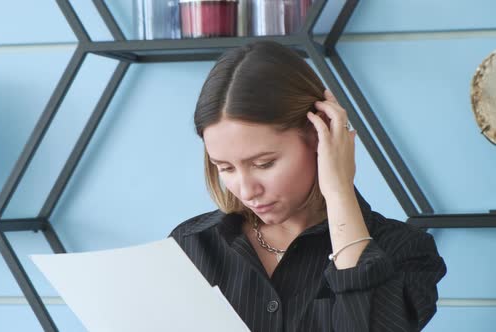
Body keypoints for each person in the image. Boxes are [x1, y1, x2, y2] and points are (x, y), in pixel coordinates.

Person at [168, 40, 447, 331]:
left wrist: (339, 190)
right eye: (225, 167)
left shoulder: (403, 251)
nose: (247, 190)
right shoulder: (188, 247)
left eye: (264, 164)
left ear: (319, 135)